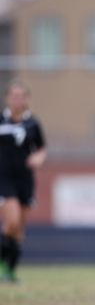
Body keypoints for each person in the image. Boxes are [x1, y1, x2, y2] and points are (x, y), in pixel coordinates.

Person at [0, 79, 46, 283]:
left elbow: (42, 148)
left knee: (18, 231)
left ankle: (10, 271)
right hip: (4, 178)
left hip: (25, 179)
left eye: (22, 96)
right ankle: (2, 266)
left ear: (27, 99)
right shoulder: (1, 121)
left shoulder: (33, 123)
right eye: (14, 95)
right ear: (8, 97)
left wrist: (38, 157)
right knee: (12, 220)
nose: (18, 99)